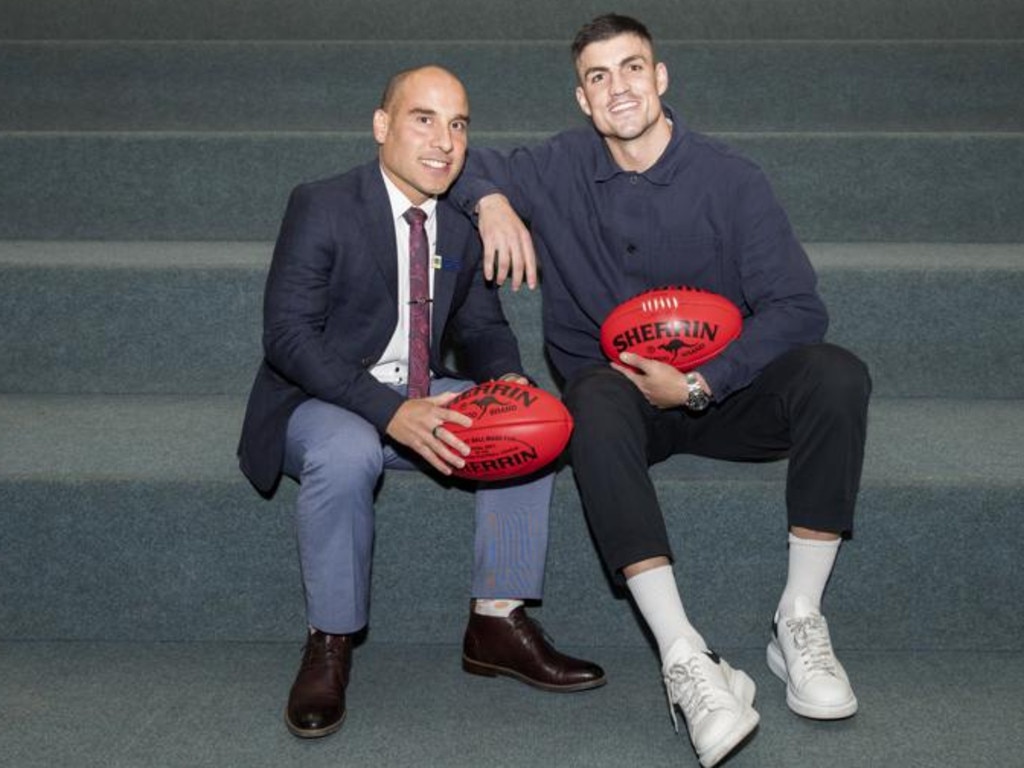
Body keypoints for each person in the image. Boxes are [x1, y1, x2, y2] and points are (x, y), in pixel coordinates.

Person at [450, 14, 872, 768]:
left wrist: (705, 381)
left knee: (838, 375)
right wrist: (492, 202)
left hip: (724, 396)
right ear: (581, 99)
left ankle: (798, 621)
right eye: (599, 77)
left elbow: (799, 308)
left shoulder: (730, 178)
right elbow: (458, 164)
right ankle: (687, 659)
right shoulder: (554, 167)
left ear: (662, 76)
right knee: (591, 402)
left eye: (632, 68)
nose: (620, 89)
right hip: (621, 411)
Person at [237, 65, 605, 740]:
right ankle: (330, 641)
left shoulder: (459, 223)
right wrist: (388, 413)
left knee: (536, 424)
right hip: (317, 400)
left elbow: (482, 328)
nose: (444, 141)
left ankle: (497, 621)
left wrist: (510, 380)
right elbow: (287, 337)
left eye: (458, 124)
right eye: (423, 119)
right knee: (348, 450)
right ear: (382, 127)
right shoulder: (323, 203)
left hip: (417, 391)